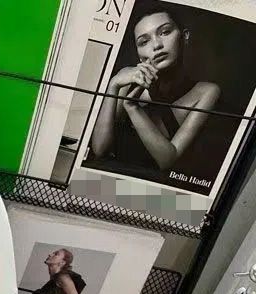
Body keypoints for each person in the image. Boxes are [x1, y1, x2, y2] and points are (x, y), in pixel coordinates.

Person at [88, 0, 220, 177]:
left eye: (165, 32)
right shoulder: (125, 79)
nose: (156, 45)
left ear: (185, 36)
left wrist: (132, 107)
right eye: (144, 42)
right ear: (139, 54)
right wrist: (112, 86)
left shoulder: (206, 92)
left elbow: (167, 160)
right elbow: (99, 149)